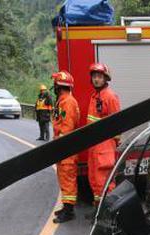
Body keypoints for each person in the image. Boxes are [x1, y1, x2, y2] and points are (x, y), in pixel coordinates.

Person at [87, 63, 121, 205]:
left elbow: (117, 124)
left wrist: (114, 145)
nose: (96, 79)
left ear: (106, 78)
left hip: (105, 146)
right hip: (95, 145)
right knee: (95, 179)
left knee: (105, 181)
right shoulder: (96, 96)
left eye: (100, 77)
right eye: (94, 76)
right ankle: (98, 210)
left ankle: (109, 212)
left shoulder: (110, 97)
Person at [51, 71, 81, 223]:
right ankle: (66, 207)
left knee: (68, 178)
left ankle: (69, 212)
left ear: (59, 86)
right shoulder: (63, 100)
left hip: (66, 148)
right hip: (63, 148)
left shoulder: (67, 102)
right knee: (64, 177)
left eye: (55, 84)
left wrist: (60, 144)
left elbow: (67, 128)